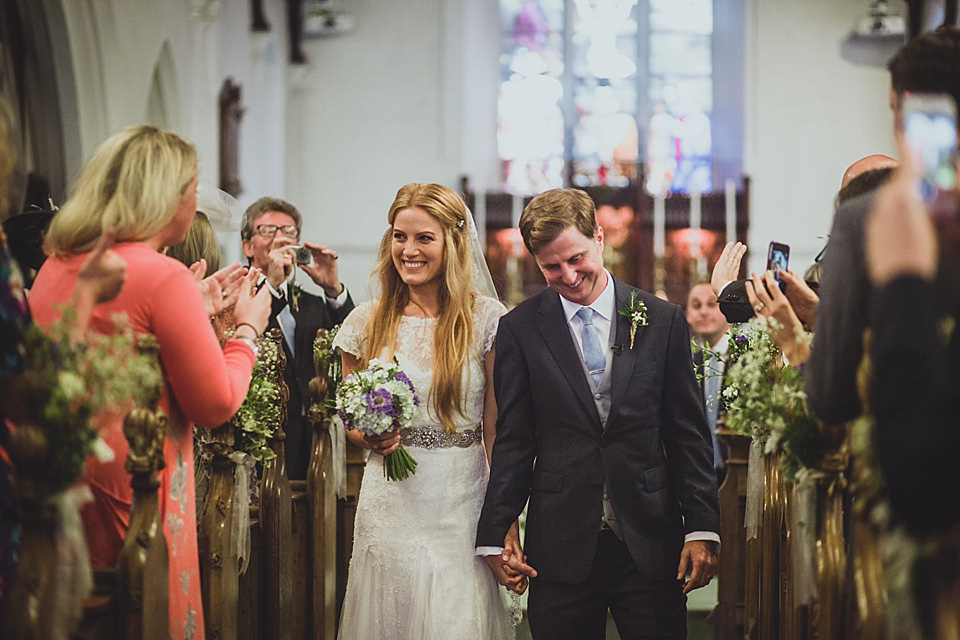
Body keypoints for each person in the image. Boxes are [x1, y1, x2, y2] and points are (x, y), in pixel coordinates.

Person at [28, 124, 272, 640]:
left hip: (66, 472)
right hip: (138, 483)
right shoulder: (162, 274)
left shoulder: (60, 262)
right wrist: (247, 330)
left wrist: (195, 302)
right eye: (192, 185)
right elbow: (215, 403)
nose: (195, 197)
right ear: (167, 194)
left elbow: (123, 328)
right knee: (144, 614)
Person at [476, 188, 720, 640]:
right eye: (551, 267)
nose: (568, 276)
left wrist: (702, 525)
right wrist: (495, 532)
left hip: (650, 538)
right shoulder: (521, 329)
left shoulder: (661, 319)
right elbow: (514, 438)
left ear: (600, 238)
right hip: (561, 544)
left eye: (576, 258)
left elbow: (687, 434)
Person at [333, 182, 515, 639]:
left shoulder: (487, 320)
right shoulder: (366, 321)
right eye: (399, 236)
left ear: (452, 244)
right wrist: (370, 436)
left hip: (462, 502)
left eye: (423, 238)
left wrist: (504, 520)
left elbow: (495, 429)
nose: (408, 250)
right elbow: (350, 419)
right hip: (391, 499)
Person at [807, 25, 960, 425]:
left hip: (916, 472)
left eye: (894, 110)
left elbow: (830, 395)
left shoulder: (867, 219)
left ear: (910, 108)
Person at [240, 197, 354, 480]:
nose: (280, 239)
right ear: (247, 246)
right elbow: (247, 337)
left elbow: (354, 345)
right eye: (268, 230)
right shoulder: (235, 298)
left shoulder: (313, 304)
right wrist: (273, 286)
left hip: (314, 443)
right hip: (262, 447)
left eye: (289, 232)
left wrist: (332, 288)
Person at [686, 282, 730, 475]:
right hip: (700, 473)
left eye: (712, 304)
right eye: (696, 306)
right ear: (688, 314)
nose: (703, 312)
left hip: (737, 467)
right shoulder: (686, 361)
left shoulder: (745, 355)